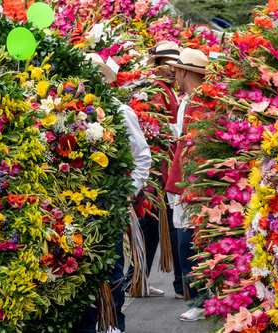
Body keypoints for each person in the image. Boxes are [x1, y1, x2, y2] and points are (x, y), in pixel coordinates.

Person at [77, 53, 152, 333]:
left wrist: (126, 193)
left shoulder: (121, 111)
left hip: (110, 204)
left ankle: (113, 324)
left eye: (94, 76)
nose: (87, 82)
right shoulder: (69, 110)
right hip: (77, 206)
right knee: (80, 269)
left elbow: (142, 156)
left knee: (112, 267)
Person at [124, 41, 184, 299]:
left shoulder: (168, 90)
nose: (172, 70)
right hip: (157, 173)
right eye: (167, 65)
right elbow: (155, 131)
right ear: (157, 66)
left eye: (175, 66)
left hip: (163, 170)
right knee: (153, 227)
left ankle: (137, 281)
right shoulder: (157, 90)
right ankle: (137, 282)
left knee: (156, 228)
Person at [165, 48, 209, 322]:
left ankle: (201, 301)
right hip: (186, 184)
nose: (173, 74)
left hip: (193, 186)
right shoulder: (189, 100)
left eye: (176, 69)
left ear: (183, 72)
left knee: (189, 244)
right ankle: (198, 299)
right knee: (186, 243)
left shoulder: (199, 102)